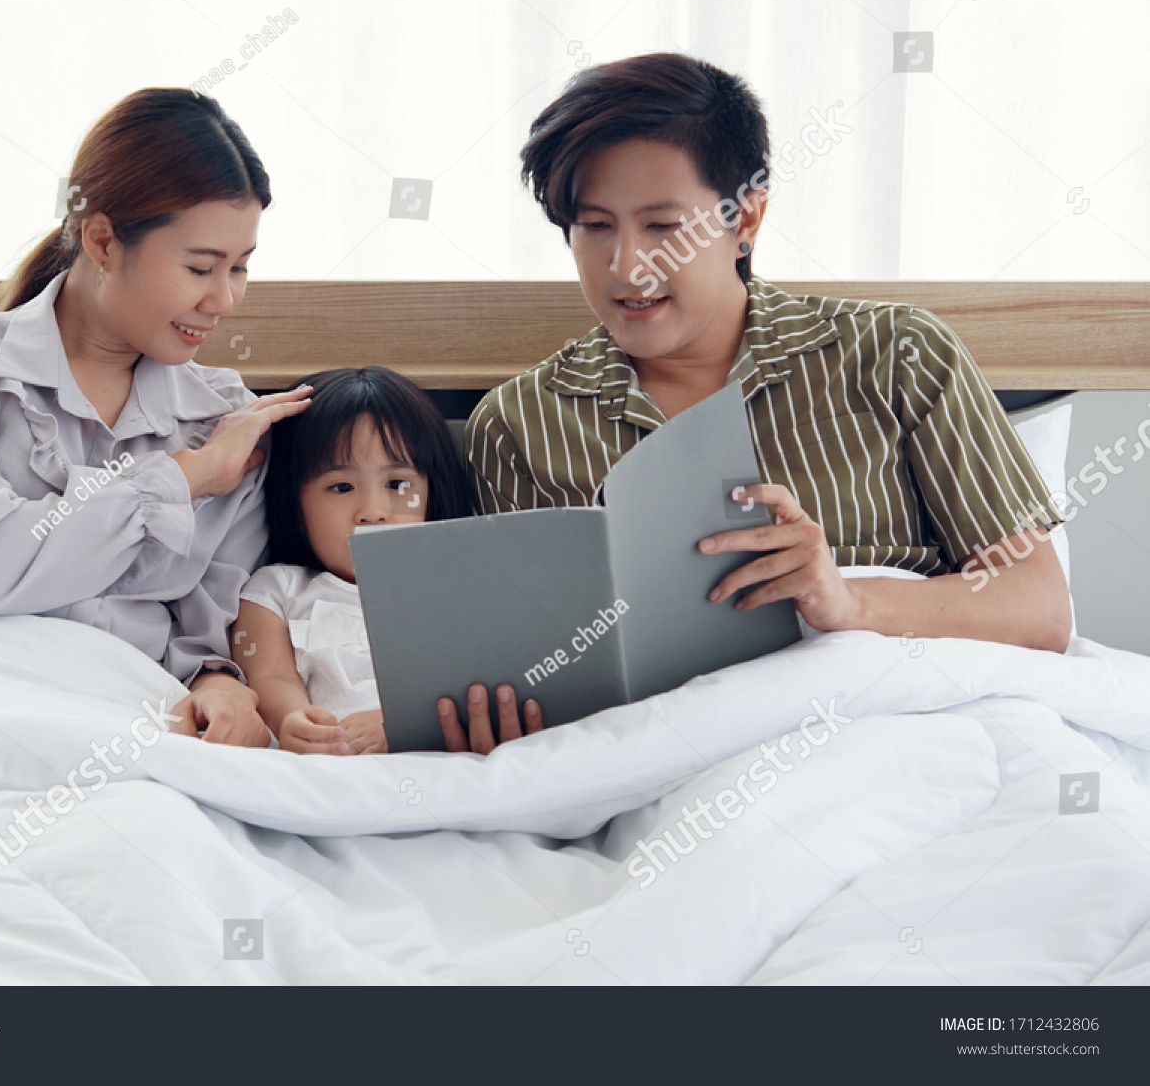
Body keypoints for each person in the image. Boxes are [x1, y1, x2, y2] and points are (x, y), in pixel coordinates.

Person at [456, 52, 1072, 753]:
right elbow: (542, 665)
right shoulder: (519, 424)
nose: (626, 266)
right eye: (595, 226)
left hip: (898, 738)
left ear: (746, 216)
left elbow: (1039, 606)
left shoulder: (896, 353)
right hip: (664, 761)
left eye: (663, 226)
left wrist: (846, 600)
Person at [0, 88, 312, 746]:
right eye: (201, 267)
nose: (225, 299)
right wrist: (184, 478)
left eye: (240, 267)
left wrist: (219, 684)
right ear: (103, 241)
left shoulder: (227, 418)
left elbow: (208, 629)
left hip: (118, 720)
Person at [231, 367, 481, 754]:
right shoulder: (276, 589)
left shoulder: (459, 585)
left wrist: (402, 724)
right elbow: (270, 675)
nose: (373, 511)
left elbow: (483, 683)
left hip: (432, 758)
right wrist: (293, 718)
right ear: (295, 505)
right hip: (330, 757)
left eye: (397, 484)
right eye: (342, 487)